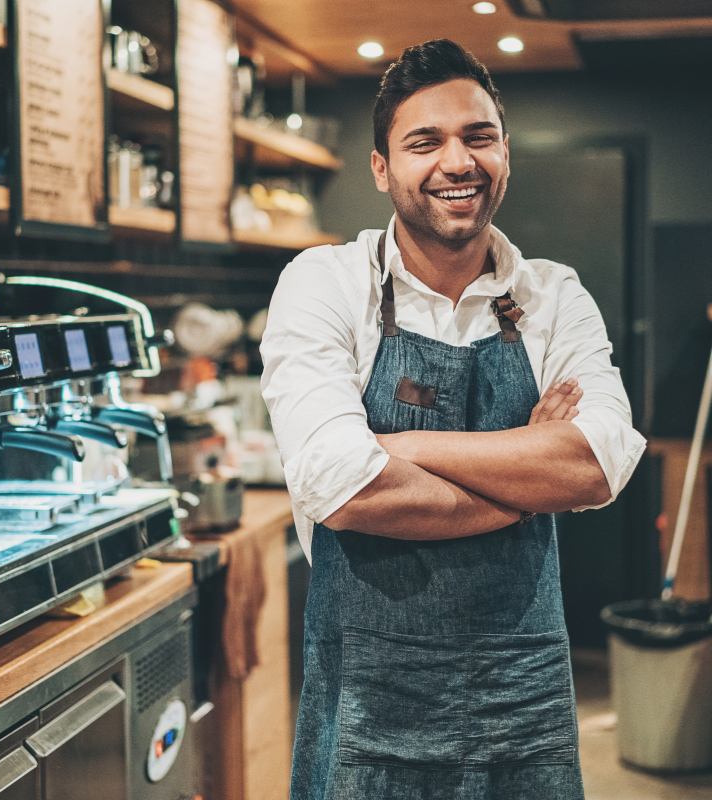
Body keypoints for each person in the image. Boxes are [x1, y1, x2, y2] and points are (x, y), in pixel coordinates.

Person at [260, 38, 646, 800]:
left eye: (478, 136)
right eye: (424, 142)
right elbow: (346, 486)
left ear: (505, 153)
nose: (457, 162)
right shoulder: (326, 283)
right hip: (370, 701)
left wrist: (401, 445)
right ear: (381, 168)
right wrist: (526, 476)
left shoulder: (552, 295)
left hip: (524, 694)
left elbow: (597, 463)